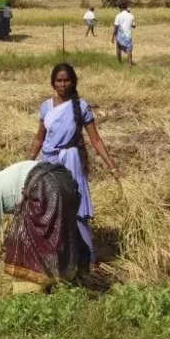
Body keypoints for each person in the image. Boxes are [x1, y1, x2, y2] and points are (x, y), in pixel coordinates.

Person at [28, 63, 118, 266]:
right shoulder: (46, 107)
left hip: (71, 162)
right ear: (52, 83)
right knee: (50, 210)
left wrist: (111, 166)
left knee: (77, 212)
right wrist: (28, 164)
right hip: (49, 164)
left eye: (66, 80)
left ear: (73, 82)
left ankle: (88, 260)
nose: (63, 84)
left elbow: (96, 140)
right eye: (59, 81)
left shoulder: (82, 107)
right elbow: (39, 139)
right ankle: (54, 261)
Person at [0, 160, 84, 291]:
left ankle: (33, 288)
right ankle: (75, 275)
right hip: (64, 178)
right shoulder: (5, 176)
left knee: (29, 240)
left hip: (44, 187)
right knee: (64, 231)